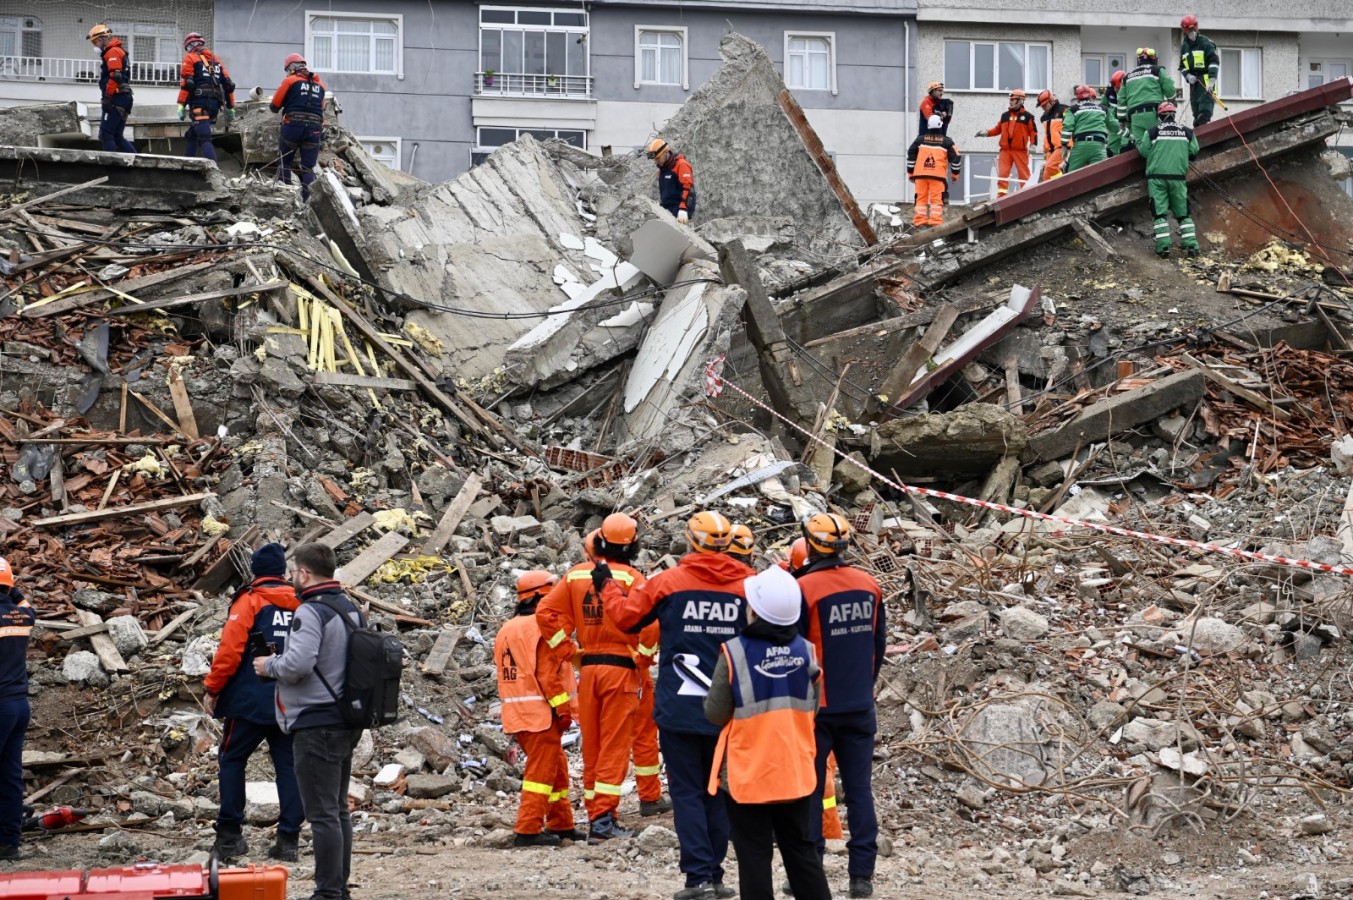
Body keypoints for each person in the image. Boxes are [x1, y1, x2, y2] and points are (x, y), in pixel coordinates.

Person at [600, 511, 754, 900]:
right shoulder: (749, 586)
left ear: (691, 541)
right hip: (730, 711)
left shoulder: (668, 583)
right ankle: (716, 876)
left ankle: (697, 879)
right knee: (717, 793)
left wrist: (607, 587)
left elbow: (625, 619)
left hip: (679, 709)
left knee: (687, 793)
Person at [705, 566, 829, 900]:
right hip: (795, 772)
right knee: (802, 852)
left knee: (754, 856)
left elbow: (715, 713)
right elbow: (812, 708)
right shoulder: (807, 651)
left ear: (756, 611)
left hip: (749, 775)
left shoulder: (734, 653)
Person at [253, 543, 362, 900]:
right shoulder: (350, 608)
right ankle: (338, 887)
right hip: (345, 718)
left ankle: (328, 892)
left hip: (316, 723)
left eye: (293, 573)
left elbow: (298, 665)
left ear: (304, 574)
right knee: (337, 809)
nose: (291, 579)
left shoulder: (311, 612)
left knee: (323, 814)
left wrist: (268, 666)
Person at [536, 513, 653, 843]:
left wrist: (569, 651)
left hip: (588, 672)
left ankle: (597, 817)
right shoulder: (633, 579)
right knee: (615, 746)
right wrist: (643, 657)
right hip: (621, 672)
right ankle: (603, 822)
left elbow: (545, 613)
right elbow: (652, 625)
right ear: (631, 546)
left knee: (594, 747)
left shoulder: (575, 576)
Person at [796, 513, 885, 899]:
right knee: (860, 789)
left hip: (817, 709)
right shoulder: (870, 585)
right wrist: (864, 687)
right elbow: (878, 647)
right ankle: (861, 875)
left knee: (811, 790)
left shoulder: (803, 589)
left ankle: (810, 870)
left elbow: (794, 650)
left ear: (810, 545)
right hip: (859, 704)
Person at [204, 543, 303, 862]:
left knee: (232, 759)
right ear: (284, 572)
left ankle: (230, 836)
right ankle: (288, 840)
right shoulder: (303, 603)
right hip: (290, 700)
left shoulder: (250, 600)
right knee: (289, 766)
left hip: (249, 700)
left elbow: (231, 651)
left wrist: (213, 688)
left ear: (255, 571)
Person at [496, 571, 584, 847]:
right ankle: (528, 828)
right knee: (541, 774)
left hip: (518, 714)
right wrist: (563, 710)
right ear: (542, 596)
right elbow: (548, 674)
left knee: (556, 767)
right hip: (541, 714)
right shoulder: (541, 627)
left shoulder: (507, 629)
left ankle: (561, 824)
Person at [0, 558, 33, 862]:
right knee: (9, 775)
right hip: (19, 706)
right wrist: (10, 588)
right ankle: (9, 844)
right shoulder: (22, 615)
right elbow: (25, 603)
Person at [1137, 101, 1201, 259]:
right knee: (1183, 214)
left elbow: (1144, 152)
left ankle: (1163, 249)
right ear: (1174, 114)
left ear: (1159, 115)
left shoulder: (1152, 132)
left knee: (1159, 214)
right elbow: (1194, 151)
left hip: (1156, 179)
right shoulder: (1187, 132)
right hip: (1178, 178)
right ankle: (1192, 247)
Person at [271, 54, 327, 201]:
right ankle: (307, 201)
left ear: (291, 68)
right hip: (314, 129)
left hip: (292, 126)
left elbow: (275, 105)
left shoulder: (290, 80)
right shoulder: (321, 86)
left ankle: (287, 198)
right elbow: (321, 108)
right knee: (308, 167)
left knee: (285, 161)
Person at [177, 32, 236, 162]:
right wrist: (231, 107)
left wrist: (181, 104)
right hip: (214, 106)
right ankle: (187, 166)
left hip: (200, 104)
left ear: (190, 45)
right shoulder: (216, 60)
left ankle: (215, 172)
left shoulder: (190, 58)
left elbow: (188, 84)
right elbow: (229, 85)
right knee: (191, 135)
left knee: (204, 138)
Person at [975, 89, 1037, 196]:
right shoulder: (1005, 116)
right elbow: (997, 129)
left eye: (1013, 99)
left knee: (1024, 174)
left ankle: (1028, 195)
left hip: (1020, 151)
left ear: (1020, 101)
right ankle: (1001, 196)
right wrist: (986, 133)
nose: (1010, 102)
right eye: (1010, 99)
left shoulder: (1028, 117)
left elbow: (1033, 132)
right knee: (1003, 174)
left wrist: (1033, 144)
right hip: (1005, 151)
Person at [86, 25, 136, 154]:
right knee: (117, 136)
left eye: (95, 42)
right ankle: (138, 162)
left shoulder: (113, 51)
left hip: (116, 98)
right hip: (123, 97)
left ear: (103, 39)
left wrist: (107, 97)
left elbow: (116, 76)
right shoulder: (118, 51)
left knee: (106, 134)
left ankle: (109, 166)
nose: (95, 46)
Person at [906, 115, 961, 228]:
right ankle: (935, 223)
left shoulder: (920, 140)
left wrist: (910, 173)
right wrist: (955, 175)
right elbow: (956, 158)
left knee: (920, 198)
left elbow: (911, 155)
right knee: (936, 200)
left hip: (920, 176)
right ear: (941, 125)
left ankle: (919, 222)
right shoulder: (947, 142)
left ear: (928, 125)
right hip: (937, 176)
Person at [1119, 48, 1175, 149]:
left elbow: (1121, 100)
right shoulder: (1157, 70)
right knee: (1158, 145)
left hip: (1135, 117)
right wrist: (1172, 102)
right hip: (1153, 114)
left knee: (1141, 148)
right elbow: (1169, 88)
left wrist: (1122, 120)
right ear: (1153, 59)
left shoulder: (1127, 77)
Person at [1179, 16, 1220, 126]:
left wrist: (1212, 81)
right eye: (1189, 29)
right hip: (1194, 82)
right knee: (1196, 111)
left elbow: (1214, 62)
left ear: (1196, 28)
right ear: (1184, 30)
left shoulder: (1205, 43)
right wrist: (1188, 76)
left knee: (1204, 109)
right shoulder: (1184, 46)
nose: (1191, 31)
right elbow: (1182, 66)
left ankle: (1203, 119)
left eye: (1193, 29)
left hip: (1205, 78)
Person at [1061, 84, 1111, 174]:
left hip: (1080, 146)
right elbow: (1114, 126)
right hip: (1099, 146)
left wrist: (1064, 145)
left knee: (1070, 177)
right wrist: (1127, 134)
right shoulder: (1103, 109)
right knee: (1101, 176)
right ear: (1090, 95)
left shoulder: (1072, 109)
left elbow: (1067, 128)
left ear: (1077, 97)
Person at [646, 138, 696, 224]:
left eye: (658, 158)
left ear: (665, 153)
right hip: (668, 208)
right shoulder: (663, 169)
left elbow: (688, 188)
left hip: (680, 208)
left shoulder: (681, 165)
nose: (656, 162)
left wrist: (683, 208)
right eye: (655, 159)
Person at [1036, 90, 1067, 180]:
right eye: (1042, 107)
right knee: (1046, 176)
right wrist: (1045, 149)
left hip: (1062, 147)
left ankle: (1063, 184)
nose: (1043, 108)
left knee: (1051, 167)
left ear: (1051, 101)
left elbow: (1072, 126)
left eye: (1045, 106)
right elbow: (1047, 135)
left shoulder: (1064, 110)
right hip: (1050, 150)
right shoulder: (1044, 117)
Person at [1105, 71, 1128, 156]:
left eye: (1118, 88)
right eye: (1115, 87)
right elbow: (1103, 107)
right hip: (1114, 126)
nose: (1116, 90)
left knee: (1125, 149)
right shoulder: (1109, 93)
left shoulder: (1130, 92)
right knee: (1111, 150)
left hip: (1127, 124)